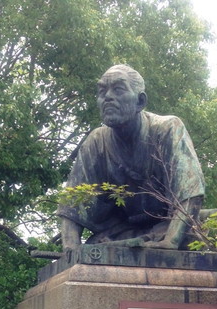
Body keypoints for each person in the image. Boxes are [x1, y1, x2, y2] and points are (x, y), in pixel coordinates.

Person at [58, 64, 205, 251]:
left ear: (140, 101)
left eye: (118, 89)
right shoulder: (96, 142)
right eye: (102, 91)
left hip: (171, 225)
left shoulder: (167, 129)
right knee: (98, 244)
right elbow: (73, 205)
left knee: (198, 232)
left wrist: (171, 241)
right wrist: (71, 249)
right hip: (124, 231)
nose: (108, 97)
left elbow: (190, 191)